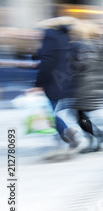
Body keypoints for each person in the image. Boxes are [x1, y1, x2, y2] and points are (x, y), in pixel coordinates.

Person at [54, 22, 103, 152]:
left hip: (84, 85)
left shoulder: (84, 46)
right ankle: (98, 135)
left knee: (76, 113)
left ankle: (97, 136)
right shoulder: (100, 45)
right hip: (95, 84)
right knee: (79, 113)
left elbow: (81, 65)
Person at [32, 16, 81, 149]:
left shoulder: (49, 35)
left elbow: (47, 61)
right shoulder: (64, 36)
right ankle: (64, 135)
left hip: (52, 81)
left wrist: (38, 84)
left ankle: (66, 132)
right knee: (49, 111)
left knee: (46, 112)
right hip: (63, 79)